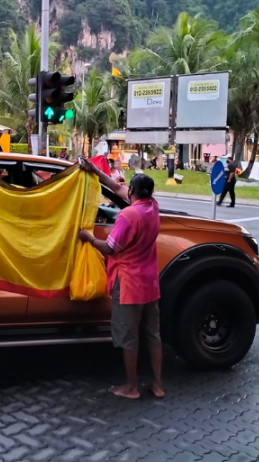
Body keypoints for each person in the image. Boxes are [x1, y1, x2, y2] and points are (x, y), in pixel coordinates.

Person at [78, 158, 164, 399]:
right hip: (150, 284)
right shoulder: (153, 206)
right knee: (153, 335)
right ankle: (158, 385)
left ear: (134, 191)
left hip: (128, 284)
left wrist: (88, 238)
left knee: (128, 337)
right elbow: (116, 189)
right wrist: (95, 171)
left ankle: (132, 387)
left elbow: (110, 249)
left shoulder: (128, 216)